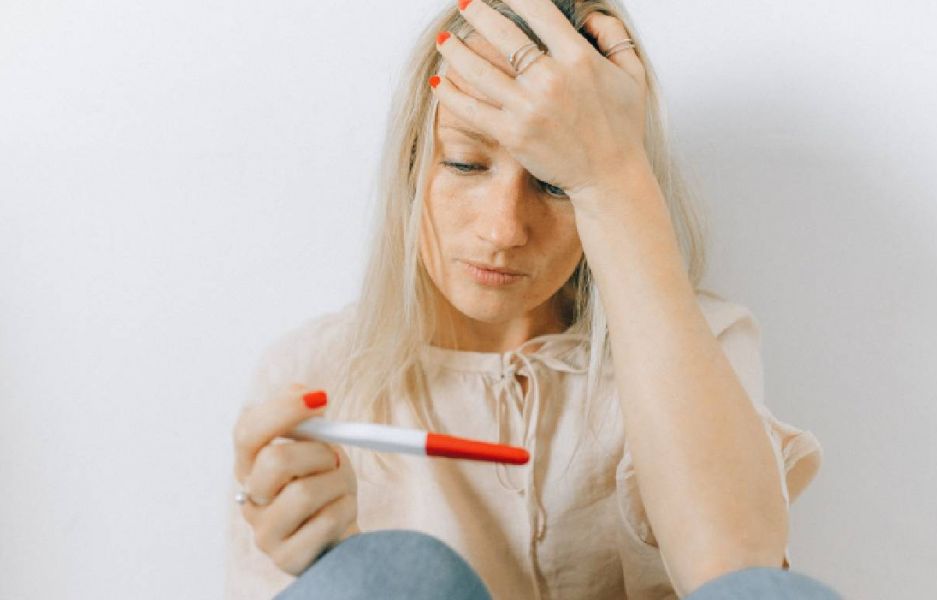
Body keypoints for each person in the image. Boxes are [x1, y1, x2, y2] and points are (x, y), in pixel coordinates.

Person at [226, 0, 840, 598]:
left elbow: (741, 574)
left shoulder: (699, 339)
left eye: (554, 182)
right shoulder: (311, 372)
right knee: (384, 574)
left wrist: (612, 175)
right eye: (466, 164)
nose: (503, 231)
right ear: (413, 163)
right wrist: (327, 560)